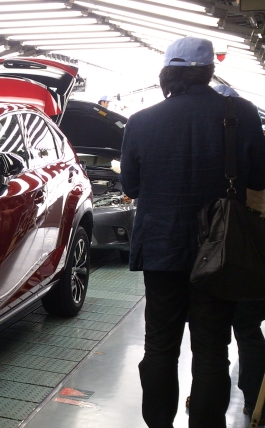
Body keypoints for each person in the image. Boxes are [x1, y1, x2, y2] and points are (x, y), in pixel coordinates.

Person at [120, 37, 265, 428]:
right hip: (221, 254)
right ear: (209, 71)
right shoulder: (242, 115)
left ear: (167, 73)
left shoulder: (140, 121)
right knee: (212, 351)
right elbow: (258, 178)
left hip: (161, 251)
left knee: (160, 347)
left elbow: (131, 187)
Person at [210, 84, 265, 423]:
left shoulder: (209, 147)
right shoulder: (253, 141)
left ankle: (243, 396)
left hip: (238, 244)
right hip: (255, 244)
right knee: (247, 325)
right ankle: (251, 397)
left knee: (224, 324)